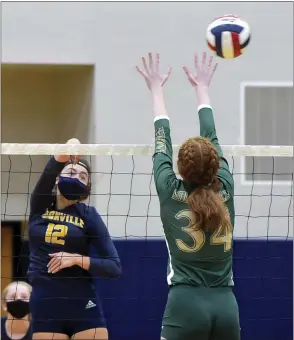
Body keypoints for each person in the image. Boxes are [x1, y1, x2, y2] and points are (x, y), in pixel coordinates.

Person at [136, 52, 240, 340]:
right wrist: (203, 89)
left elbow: (162, 141)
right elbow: (213, 136)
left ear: (180, 168)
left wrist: (157, 89)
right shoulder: (227, 189)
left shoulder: (170, 190)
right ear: (216, 165)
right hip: (226, 306)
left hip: (185, 304)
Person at [28, 138, 121, 340]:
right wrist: (71, 145)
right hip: (46, 304)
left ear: (87, 186)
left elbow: (114, 266)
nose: (77, 176)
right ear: (56, 179)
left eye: (83, 176)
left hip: (82, 303)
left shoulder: (88, 215)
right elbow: (55, 162)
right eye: (71, 172)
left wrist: (76, 259)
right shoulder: (39, 206)